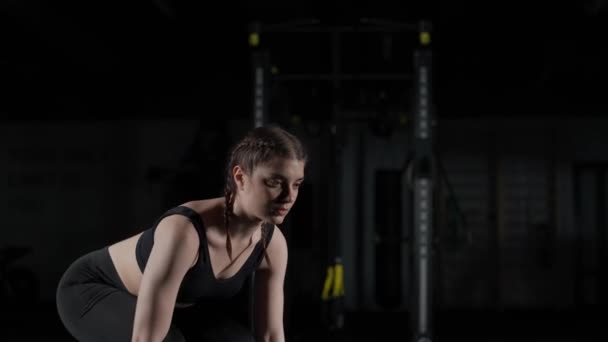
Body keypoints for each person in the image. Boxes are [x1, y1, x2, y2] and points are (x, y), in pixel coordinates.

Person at [56, 124, 308, 342]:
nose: (289, 197)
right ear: (240, 177)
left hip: (176, 307)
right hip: (91, 290)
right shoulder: (186, 232)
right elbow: (146, 339)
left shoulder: (271, 244)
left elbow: (271, 336)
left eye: (296, 184)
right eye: (275, 182)